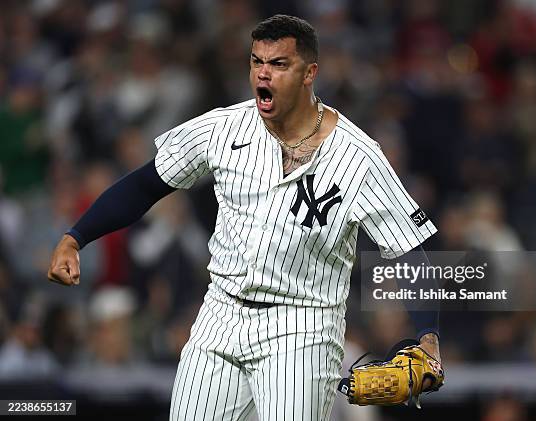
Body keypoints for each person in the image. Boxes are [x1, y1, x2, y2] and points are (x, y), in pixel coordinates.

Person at [48, 14, 441, 421]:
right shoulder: (223, 128)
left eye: (279, 64)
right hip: (220, 313)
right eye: (257, 62)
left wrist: (428, 338)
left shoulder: (358, 156)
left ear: (310, 73)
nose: (263, 75)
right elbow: (148, 183)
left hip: (302, 326)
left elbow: (410, 251)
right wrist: (76, 236)